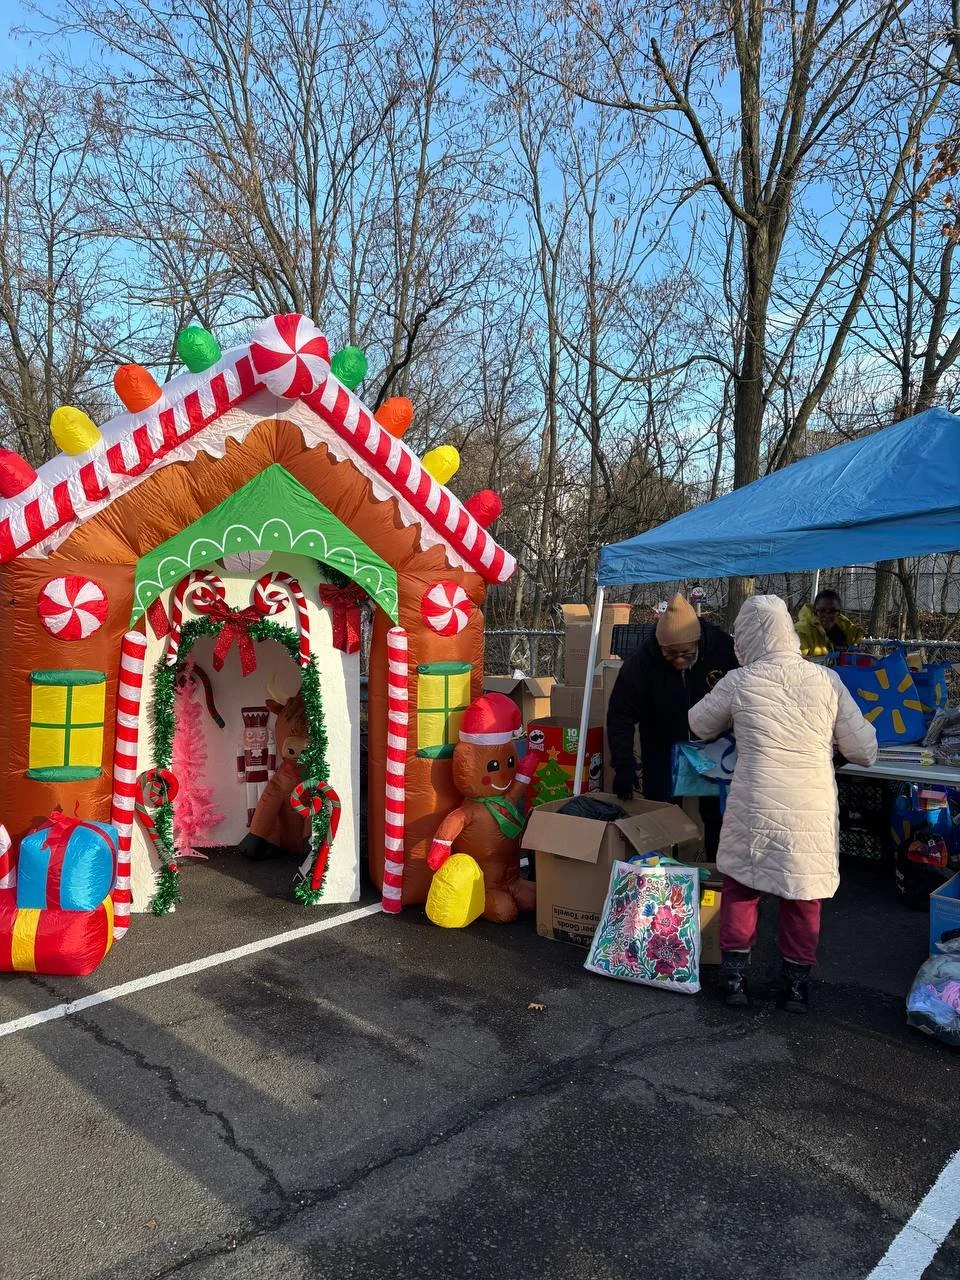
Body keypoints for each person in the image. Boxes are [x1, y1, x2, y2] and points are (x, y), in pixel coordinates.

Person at [688, 595, 878, 1013]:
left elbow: (698, 724)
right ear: (788, 632)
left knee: (742, 886)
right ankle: (796, 987)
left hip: (754, 802)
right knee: (802, 895)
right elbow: (865, 750)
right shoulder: (826, 681)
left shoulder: (740, 681)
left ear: (747, 639)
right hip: (810, 805)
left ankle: (735, 978)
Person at [606, 593, 737, 857]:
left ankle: (718, 870)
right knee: (662, 813)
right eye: (671, 654)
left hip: (715, 744)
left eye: (686, 654)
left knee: (718, 815)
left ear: (698, 643)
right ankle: (666, 875)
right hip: (662, 742)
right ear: (659, 646)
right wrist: (624, 765)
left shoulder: (723, 650)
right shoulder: (642, 661)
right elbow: (621, 714)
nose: (678, 660)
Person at [795, 588, 863, 660]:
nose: (827, 615)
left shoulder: (846, 630)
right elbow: (794, 660)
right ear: (815, 610)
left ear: (839, 612)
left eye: (833, 611)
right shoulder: (802, 632)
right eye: (822, 610)